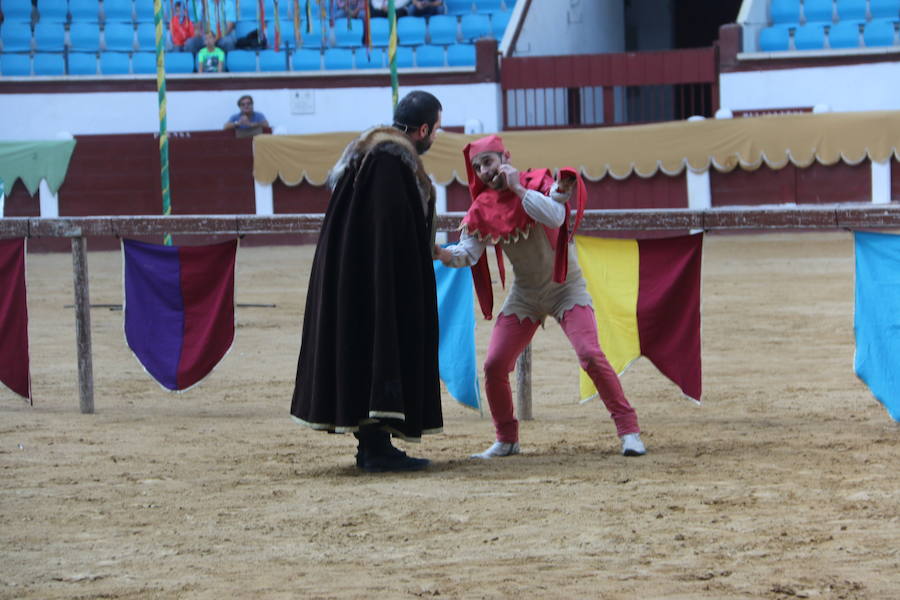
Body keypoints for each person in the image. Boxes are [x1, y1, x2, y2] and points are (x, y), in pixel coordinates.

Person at [435, 135, 647, 459]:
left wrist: (518, 189)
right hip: (526, 294)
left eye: (488, 162)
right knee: (494, 365)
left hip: (566, 287)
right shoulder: (481, 209)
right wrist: (438, 252)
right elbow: (468, 254)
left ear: (505, 156)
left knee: (590, 354)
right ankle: (507, 439)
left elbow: (555, 216)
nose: (483, 171)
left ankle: (629, 430)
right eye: (477, 167)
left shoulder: (537, 182)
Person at [290, 91, 444, 473]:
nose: (435, 137)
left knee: (365, 349)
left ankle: (375, 445)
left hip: (361, 276)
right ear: (422, 129)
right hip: (376, 280)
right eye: (436, 129)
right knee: (379, 345)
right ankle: (375, 448)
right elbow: (388, 234)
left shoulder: (370, 154)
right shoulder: (389, 162)